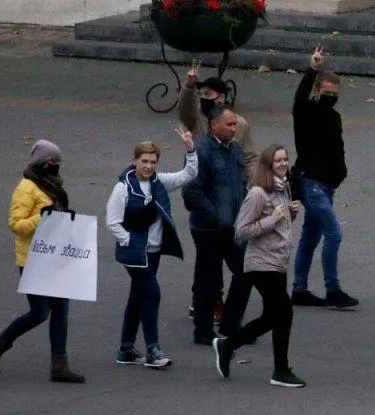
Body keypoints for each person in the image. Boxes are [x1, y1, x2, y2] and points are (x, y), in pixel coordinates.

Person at [0, 140, 85, 383]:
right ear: (41, 162)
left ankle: (59, 365)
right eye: (52, 162)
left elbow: (55, 215)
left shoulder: (52, 186)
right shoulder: (26, 187)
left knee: (61, 311)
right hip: (33, 260)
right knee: (40, 312)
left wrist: (65, 219)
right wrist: (43, 218)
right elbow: (16, 225)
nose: (56, 166)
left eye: (59, 162)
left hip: (56, 256)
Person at [106, 127, 199, 369]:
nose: (148, 166)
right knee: (152, 294)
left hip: (154, 252)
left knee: (137, 297)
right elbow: (113, 222)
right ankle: (152, 350)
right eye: (144, 161)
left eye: (152, 162)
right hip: (136, 254)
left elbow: (188, 175)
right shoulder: (123, 188)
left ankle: (125, 349)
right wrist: (129, 241)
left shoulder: (159, 182)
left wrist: (190, 149)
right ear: (134, 160)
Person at [213, 144, 305, 388]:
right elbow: (241, 231)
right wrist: (271, 219)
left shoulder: (283, 188)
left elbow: (280, 226)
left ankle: (228, 345)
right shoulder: (258, 193)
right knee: (283, 314)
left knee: (274, 315)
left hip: (278, 261)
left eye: (285, 159)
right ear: (268, 164)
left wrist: (290, 215)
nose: (283, 164)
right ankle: (280, 370)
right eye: (278, 161)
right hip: (261, 263)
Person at [291, 44, 357, 309]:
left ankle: (299, 289)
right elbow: (298, 100)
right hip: (312, 183)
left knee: (310, 237)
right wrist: (312, 69)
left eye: (334, 92)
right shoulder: (306, 112)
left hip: (327, 185)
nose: (330, 95)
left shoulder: (334, 116)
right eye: (326, 91)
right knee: (334, 233)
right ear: (317, 91)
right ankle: (332, 288)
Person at [183, 106, 252, 345]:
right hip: (209, 229)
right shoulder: (202, 151)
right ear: (213, 125)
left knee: (246, 272)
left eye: (235, 124)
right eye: (229, 124)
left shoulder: (234, 150)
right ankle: (202, 330)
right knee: (208, 280)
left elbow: (239, 185)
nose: (234, 129)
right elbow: (191, 192)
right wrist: (215, 216)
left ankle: (231, 323)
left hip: (232, 227)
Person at [177, 61, 258, 170]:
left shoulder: (240, 124)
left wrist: (249, 185)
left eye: (208, 94)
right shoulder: (195, 118)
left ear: (221, 98)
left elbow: (250, 159)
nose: (203, 98)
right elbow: (184, 108)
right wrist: (189, 85)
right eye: (201, 94)